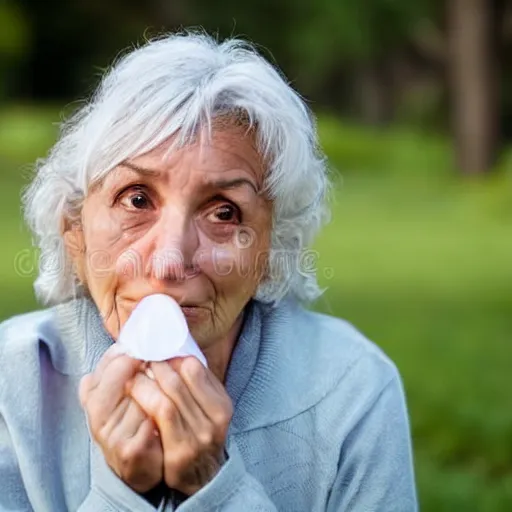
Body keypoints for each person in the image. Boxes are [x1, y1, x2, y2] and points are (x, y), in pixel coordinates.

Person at [0, 32, 417, 511]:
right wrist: (122, 493)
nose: (169, 260)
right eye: (136, 199)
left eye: (224, 213)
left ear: (272, 251)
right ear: (74, 228)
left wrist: (214, 486)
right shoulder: (10, 384)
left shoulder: (352, 388)